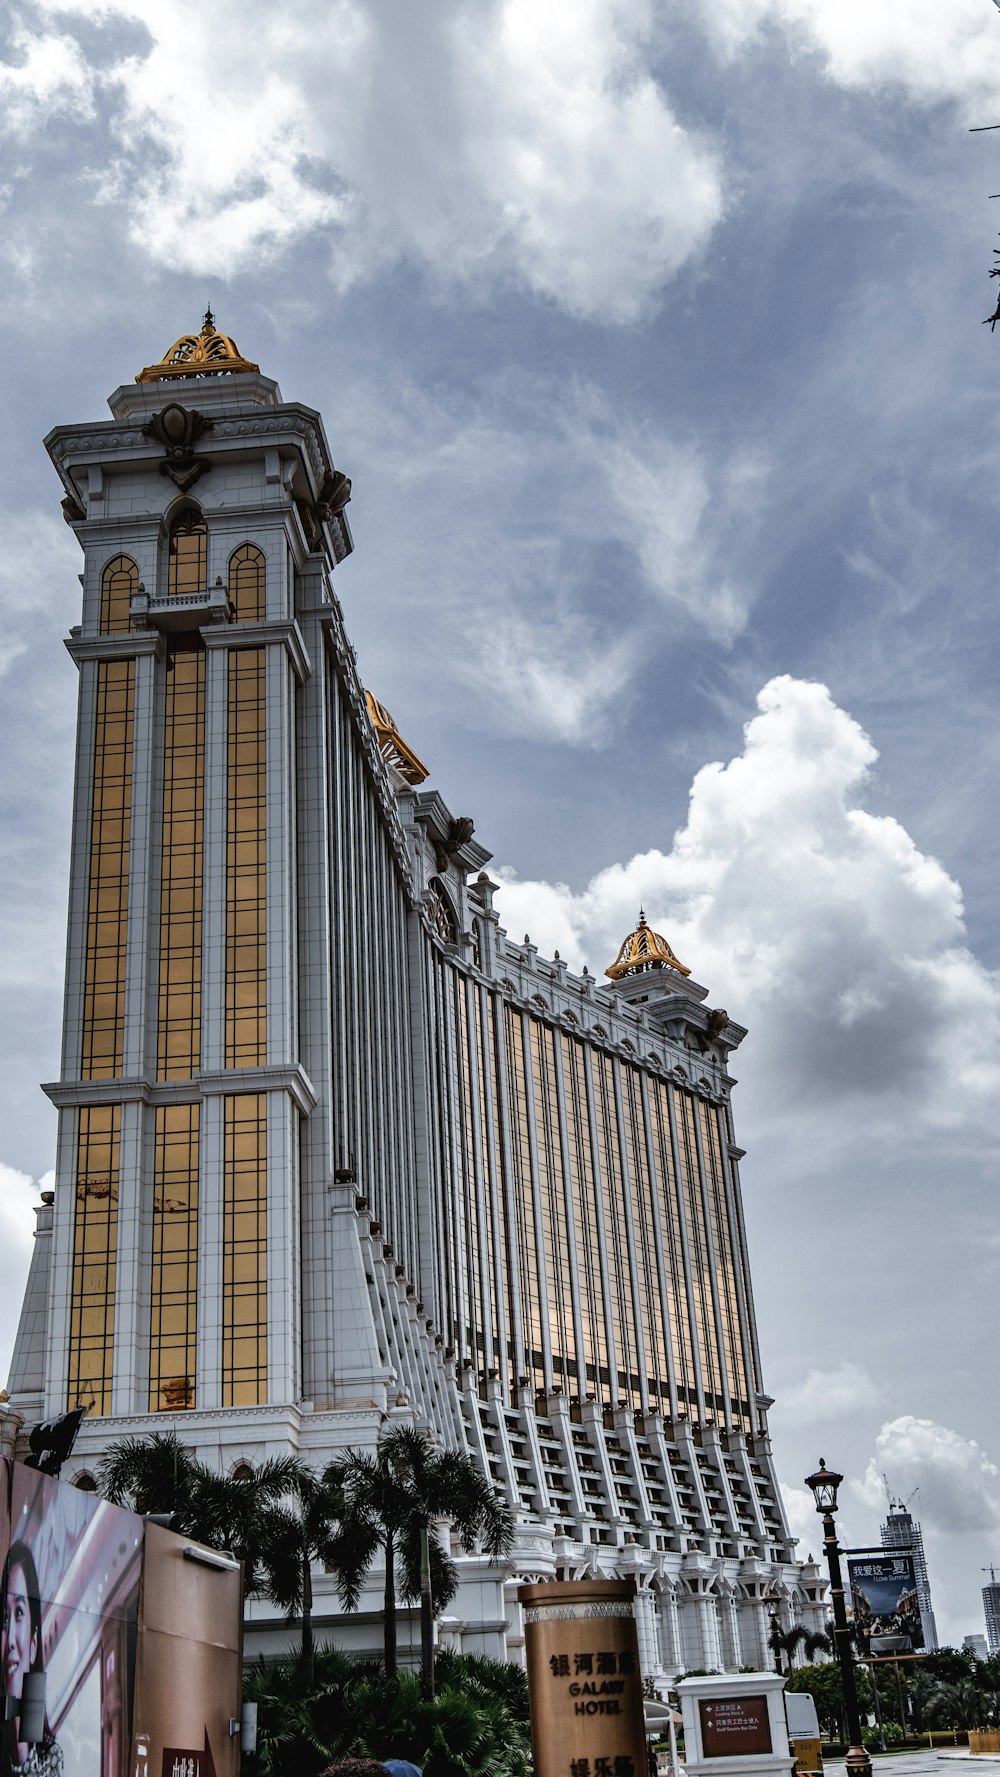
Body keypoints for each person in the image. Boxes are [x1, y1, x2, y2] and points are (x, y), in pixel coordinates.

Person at [2, 1542, 62, 1777]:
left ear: (34, 1643)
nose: (10, 1642)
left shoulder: (51, 1759)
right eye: (4, 1618)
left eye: (18, 1613)